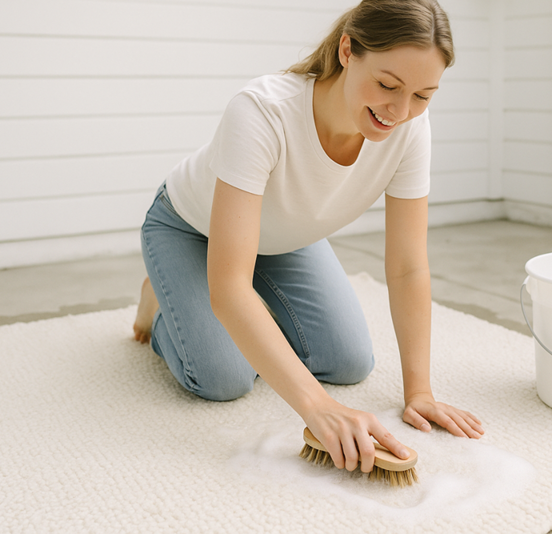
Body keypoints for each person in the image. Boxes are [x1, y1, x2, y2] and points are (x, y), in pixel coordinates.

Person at [132, 0, 484, 475]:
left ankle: (223, 300)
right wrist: (318, 408)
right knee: (221, 376)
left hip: (285, 238)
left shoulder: (410, 128)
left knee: (349, 362)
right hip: (190, 229)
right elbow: (230, 286)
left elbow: (407, 266)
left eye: (423, 95)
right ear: (347, 50)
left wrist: (419, 391)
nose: (400, 111)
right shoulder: (262, 111)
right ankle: (161, 300)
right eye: (386, 85)